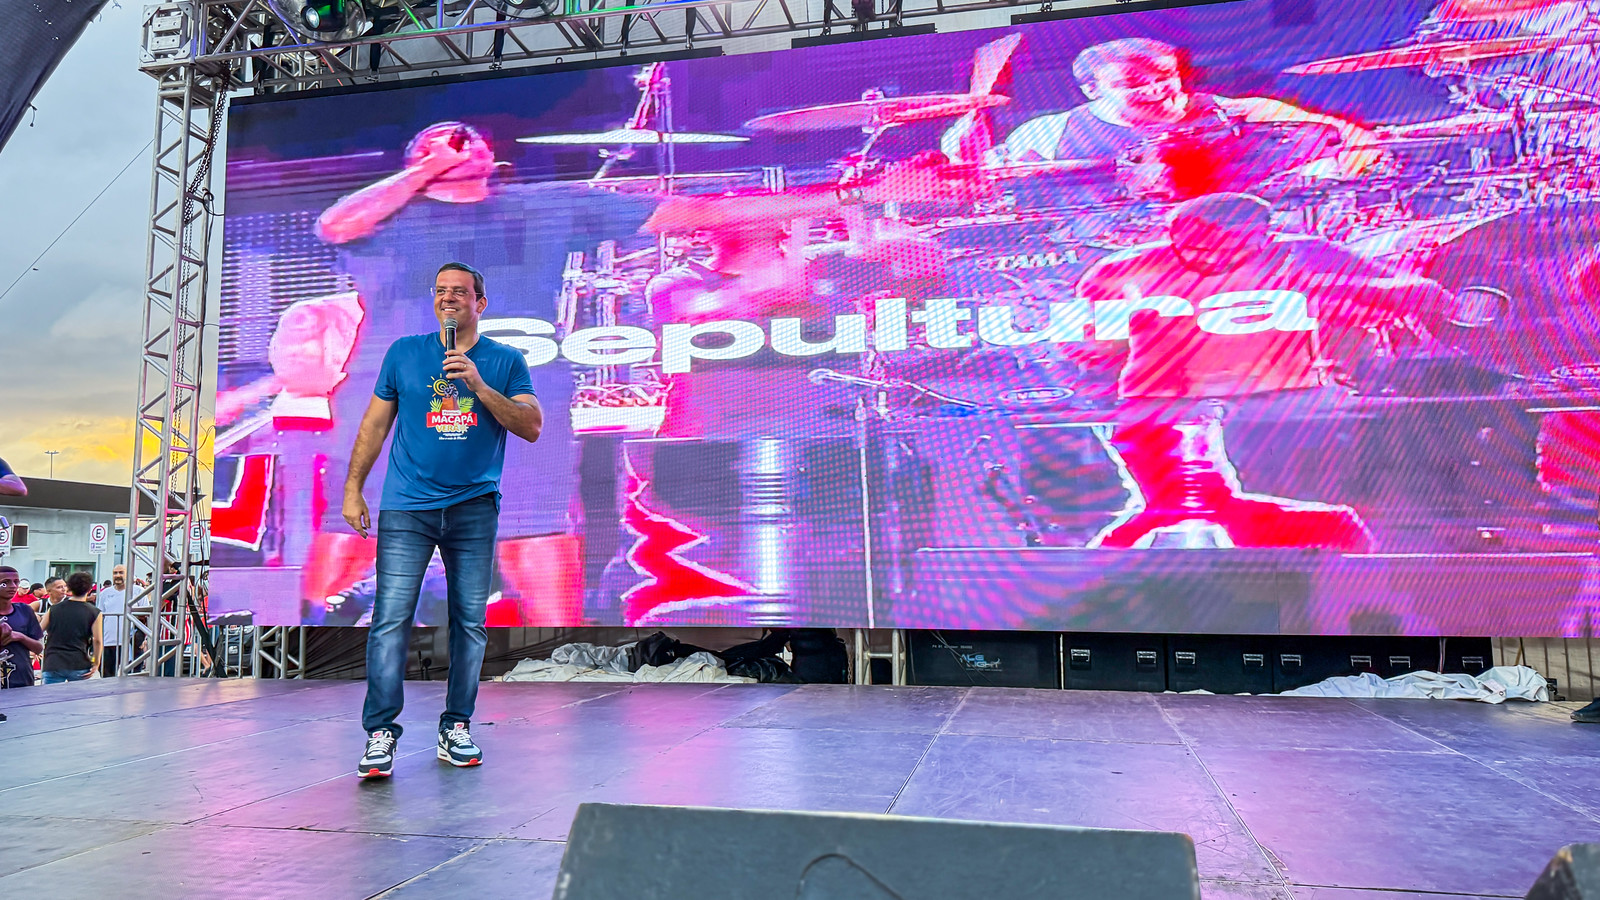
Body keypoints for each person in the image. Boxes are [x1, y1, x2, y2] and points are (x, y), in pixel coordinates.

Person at [1069, 192, 1456, 552]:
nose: (1213, 261)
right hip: (1167, 413)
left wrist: (1394, 298)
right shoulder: (1120, 271)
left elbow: (1412, 289)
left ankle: (1333, 548)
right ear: (1172, 236)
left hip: (1287, 411)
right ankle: (1336, 540)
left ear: (1265, 235)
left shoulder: (1304, 255)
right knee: (1185, 506)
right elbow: (1089, 351)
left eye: (1231, 248)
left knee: (1202, 507)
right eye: (1197, 249)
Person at [345, 261, 541, 778]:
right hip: (407, 506)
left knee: (469, 623)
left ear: (480, 303)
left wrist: (478, 384)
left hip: (473, 507)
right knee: (390, 619)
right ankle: (380, 733)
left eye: (460, 291)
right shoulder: (404, 353)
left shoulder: (505, 360)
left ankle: (456, 725)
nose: (449, 298)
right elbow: (373, 426)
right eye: (441, 290)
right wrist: (352, 488)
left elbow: (531, 425)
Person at [943, 37, 1382, 194]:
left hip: (1230, 251)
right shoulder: (1050, 132)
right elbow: (975, 173)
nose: (1158, 90)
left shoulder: (1234, 110)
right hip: (1104, 263)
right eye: (1135, 83)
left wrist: (1341, 170)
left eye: (1166, 76)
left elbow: (1350, 137)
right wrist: (971, 119)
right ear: (1092, 89)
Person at [39, 572, 102, 684]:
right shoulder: (94, 612)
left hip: (53, 662)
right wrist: (96, 662)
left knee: (51, 695)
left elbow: (39, 631)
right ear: (89, 589)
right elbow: (97, 640)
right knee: (78, 695)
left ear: (69, 588)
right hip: (79, 662)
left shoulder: (54, 609)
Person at [0, 566, 45, 696]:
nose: (13, 586)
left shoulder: (25, 610)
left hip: (21, 677)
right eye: (5, 582)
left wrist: (20, 637)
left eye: (16, 582)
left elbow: (38, 648)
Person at [95, 564, 127, 677]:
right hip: (109, 641)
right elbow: (99, 615)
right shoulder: (105, 593)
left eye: (121, 572)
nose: (117, 575)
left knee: (132, 676)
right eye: (115, 573)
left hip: (130, 642)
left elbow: (145, 616)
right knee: (106, 674)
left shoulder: (138, 591)